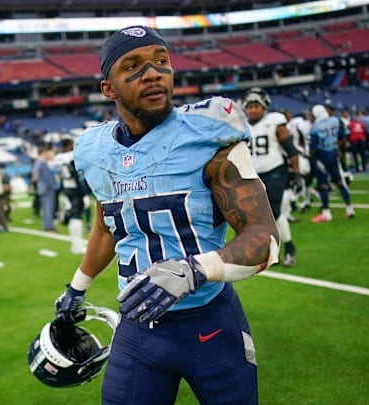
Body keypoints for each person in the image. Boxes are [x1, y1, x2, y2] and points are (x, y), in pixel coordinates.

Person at [53, 26, 279, 404]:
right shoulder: (94, 149)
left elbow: (265, 240)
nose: (153, 73)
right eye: (134, 66)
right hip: (138, 329)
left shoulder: (208, 132)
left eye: (161, 61)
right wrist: (76, 288)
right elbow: (107, 228)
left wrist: (195, 269)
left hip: (209, 321)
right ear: (109, 88)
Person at [243, 88, 301, 267]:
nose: (252, 110)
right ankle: (273, 253)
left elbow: (291, 150)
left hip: (274, 170)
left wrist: (296, 173)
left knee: (273, 212)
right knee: (259, 217)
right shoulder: (241, 125)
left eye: (256, 106)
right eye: (249, 106)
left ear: (264, 107)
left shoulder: (275, 121)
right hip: (253, 175)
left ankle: (290, 248)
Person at [309, 105, 355, 222]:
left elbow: (313, 148)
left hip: (322, 157)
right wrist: (336, 148)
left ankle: (326, 212)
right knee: (340, 182)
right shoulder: (335, 120)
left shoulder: (315, 127)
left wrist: (314, 158)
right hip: (333, 154)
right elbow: (341, 137)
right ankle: (349, 209)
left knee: (323, 185)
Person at [53, 137, 86, 254]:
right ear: (69, 146)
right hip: (75, 188)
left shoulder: (57, 158)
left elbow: (57, 174)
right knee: (77, 216)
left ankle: (75, 244)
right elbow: (79, 172)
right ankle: (77, 246)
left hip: (66, 188)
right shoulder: (72, 156)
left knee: (73, 215)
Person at [32, 145, 59, 232]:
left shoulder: (38, 162)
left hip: (43, 188)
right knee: (48, 208)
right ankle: (49, 227)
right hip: (47, 189)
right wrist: (55, 185)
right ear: (43, 153)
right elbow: (48, 177)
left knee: (46, 208)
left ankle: (48, 226)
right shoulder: (42, 163)